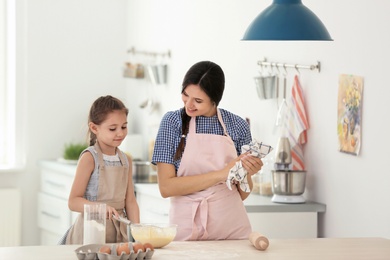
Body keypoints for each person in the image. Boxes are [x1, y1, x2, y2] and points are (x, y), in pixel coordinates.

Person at [152, 61, 263, 241]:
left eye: (198, 101)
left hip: (231, 228)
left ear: (214, 100)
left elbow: (242, 194)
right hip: (187, 228)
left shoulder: (237, 126)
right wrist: (222, 174)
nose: (189, 105)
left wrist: (248, 172)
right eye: (185, 95)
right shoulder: (172, 122)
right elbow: (166, 187)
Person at [63, 95, 140, 244]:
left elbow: (130, 201)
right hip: (89, 235)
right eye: (113, 128)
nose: (120, 133)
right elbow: (73, 202)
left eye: (124, 126)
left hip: (119, 234)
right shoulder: (89, 158)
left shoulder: (126, 160)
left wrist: (137, 233)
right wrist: (99, 208)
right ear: (94, 128)